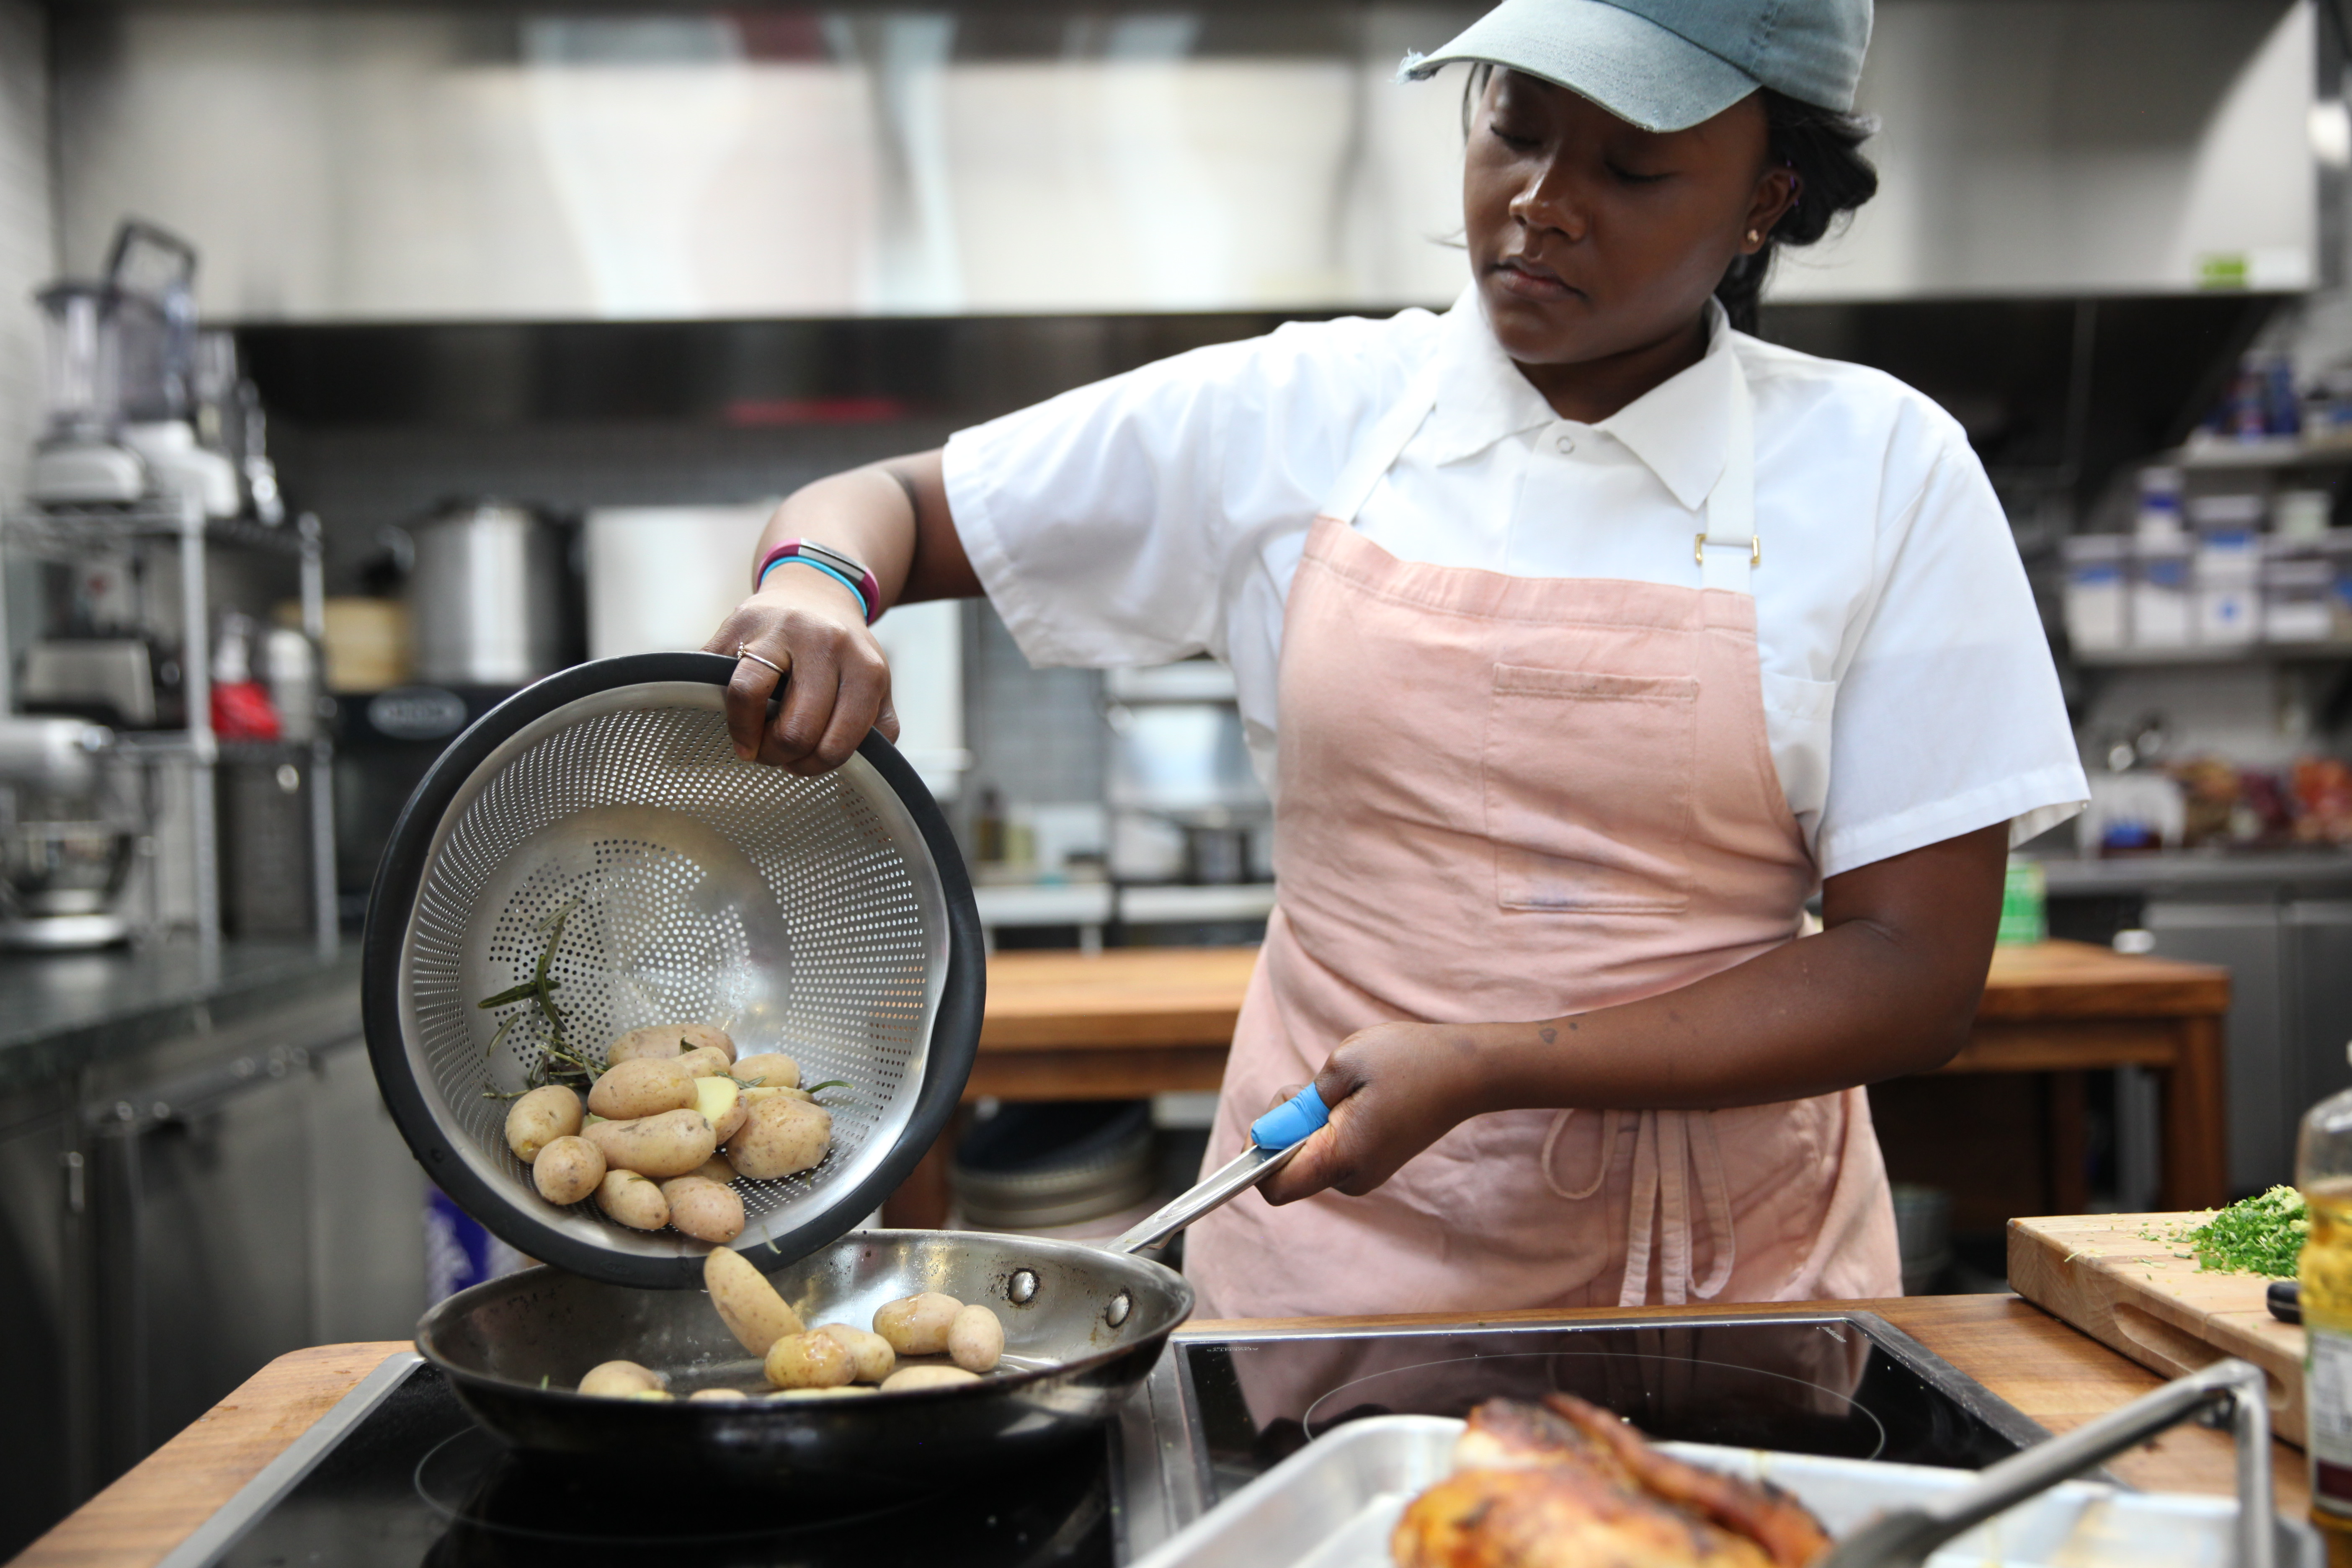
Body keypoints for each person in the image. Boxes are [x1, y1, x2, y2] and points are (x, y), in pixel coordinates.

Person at [707, 0, 2087, 1318]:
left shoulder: (1882, 467)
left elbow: (1914, 971)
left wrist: (1488, 1068)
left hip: (1726, 1296)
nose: (1543, 197)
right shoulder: (1305, 409)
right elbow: (885, 507)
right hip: (1324, 1273)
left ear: (1767, 199)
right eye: (1516, 124)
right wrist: (817, 591)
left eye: (1632, 164)